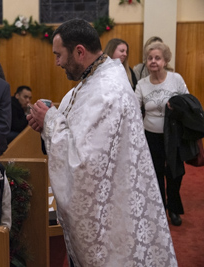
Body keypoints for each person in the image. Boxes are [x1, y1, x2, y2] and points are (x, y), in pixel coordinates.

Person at [27, 19, 177, 266]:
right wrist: (46, 126)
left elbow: (86, 163)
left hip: (111, 215)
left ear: (79, 51)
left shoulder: (107, 90)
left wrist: (50, 121)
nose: (57, 62)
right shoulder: (92, 80)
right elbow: (75, 133)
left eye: (59, 55)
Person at [135, 41, 189, 227]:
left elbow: (188, 103)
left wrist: (177, 107)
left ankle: (174, 208)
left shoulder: (176, 79)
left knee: (175, 173)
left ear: (165, 60)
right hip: (150, 135)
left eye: (157, 58)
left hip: (173, 135)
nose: (153, 61)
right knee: (155, 173)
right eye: (150, 58)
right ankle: (160, 209)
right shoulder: (142, 84)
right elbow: (134, 107)